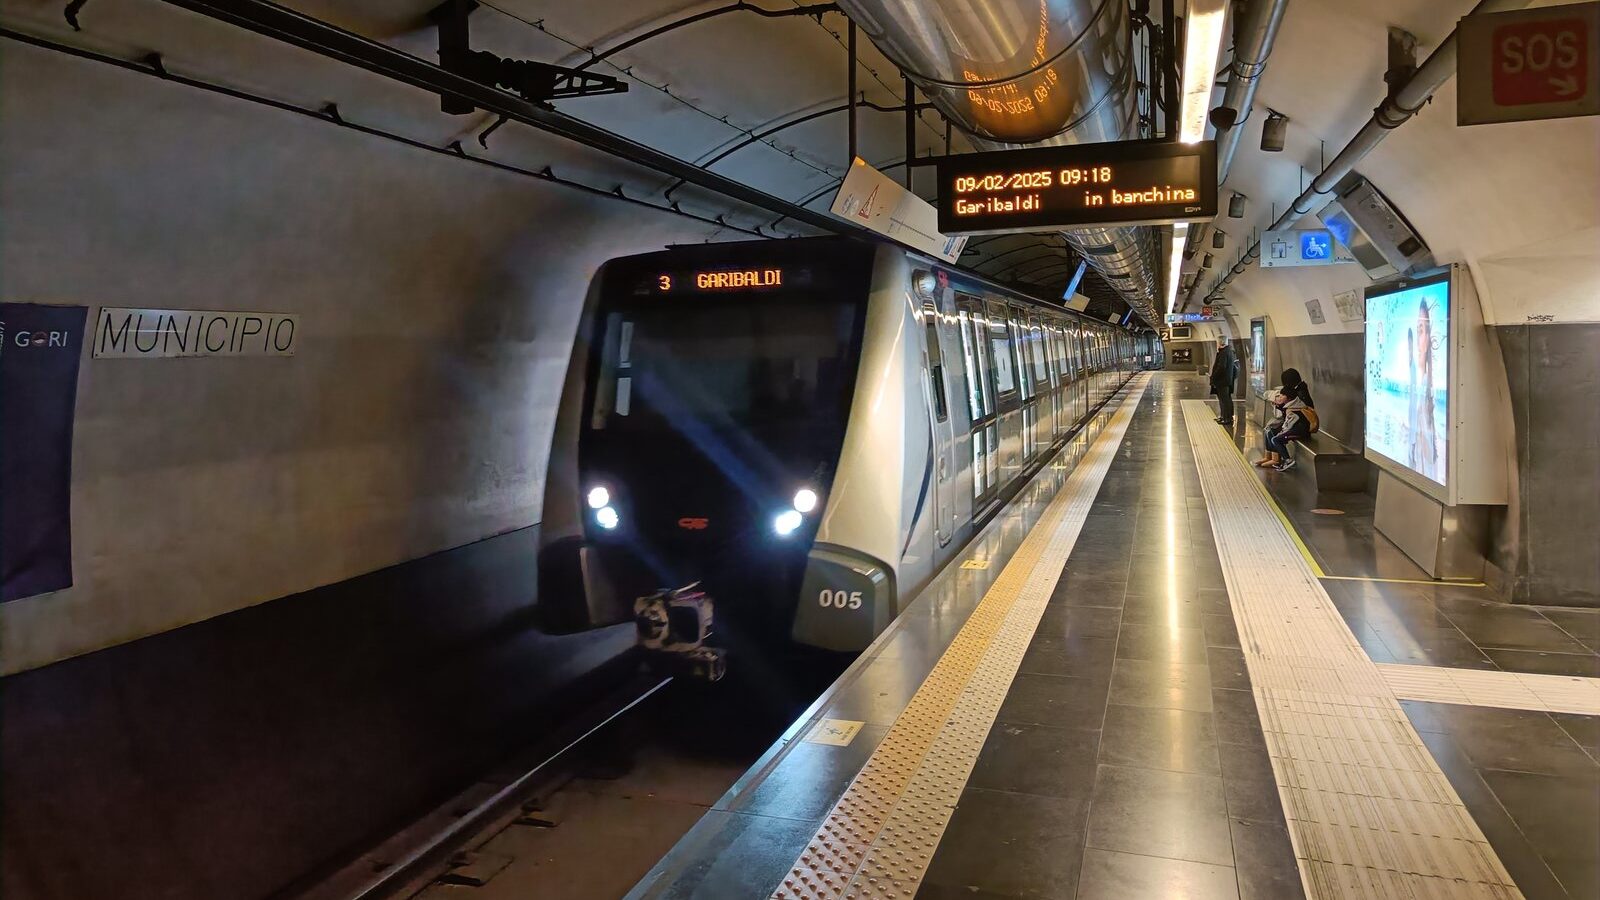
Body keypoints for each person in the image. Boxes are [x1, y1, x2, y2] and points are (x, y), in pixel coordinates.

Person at [1264, 368, 1315, 471]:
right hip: (1296, 424)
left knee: (1273, 433)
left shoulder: (1299, 394)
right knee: (1269, 430)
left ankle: (1285, 460)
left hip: (1299, 427)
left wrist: (1280, 405)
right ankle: (1273, 457)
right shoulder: (1299, 390)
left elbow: (1293, 415)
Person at [1209, 336, 1238, 428]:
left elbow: (1221, 367)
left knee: (1224, 399)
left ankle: (1227, 418)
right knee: (1224, 399)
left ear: (1220, 342)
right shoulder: (1227, 351)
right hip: (1225, 380)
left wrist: (1214, 376)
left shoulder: (1224, 352)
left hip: (1223, 380)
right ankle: (1224, 416)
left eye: (1217, 341)